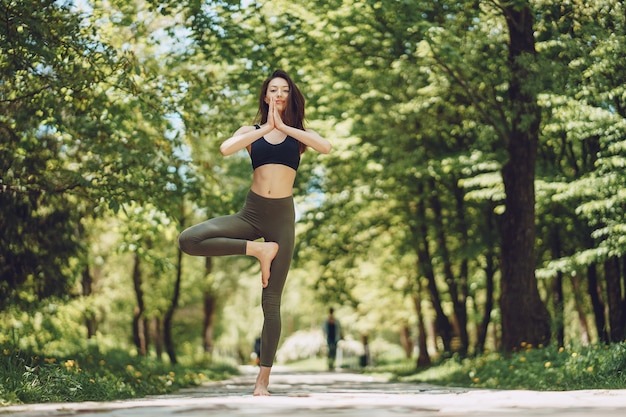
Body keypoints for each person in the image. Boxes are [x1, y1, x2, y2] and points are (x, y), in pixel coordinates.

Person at [178, 70, 331, 396]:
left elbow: (326, 147)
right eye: (273, 90)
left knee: (271, 302)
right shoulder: (251, 132)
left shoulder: (299, 134)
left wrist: (284, 127)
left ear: (291, 96)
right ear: (265, 96)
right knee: (189, 239)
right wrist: (266, 128)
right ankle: (257, 251)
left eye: (284, 90)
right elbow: (225, 148)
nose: (278, 94)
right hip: (251, 213)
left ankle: (262, 383)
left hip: (281, 220)